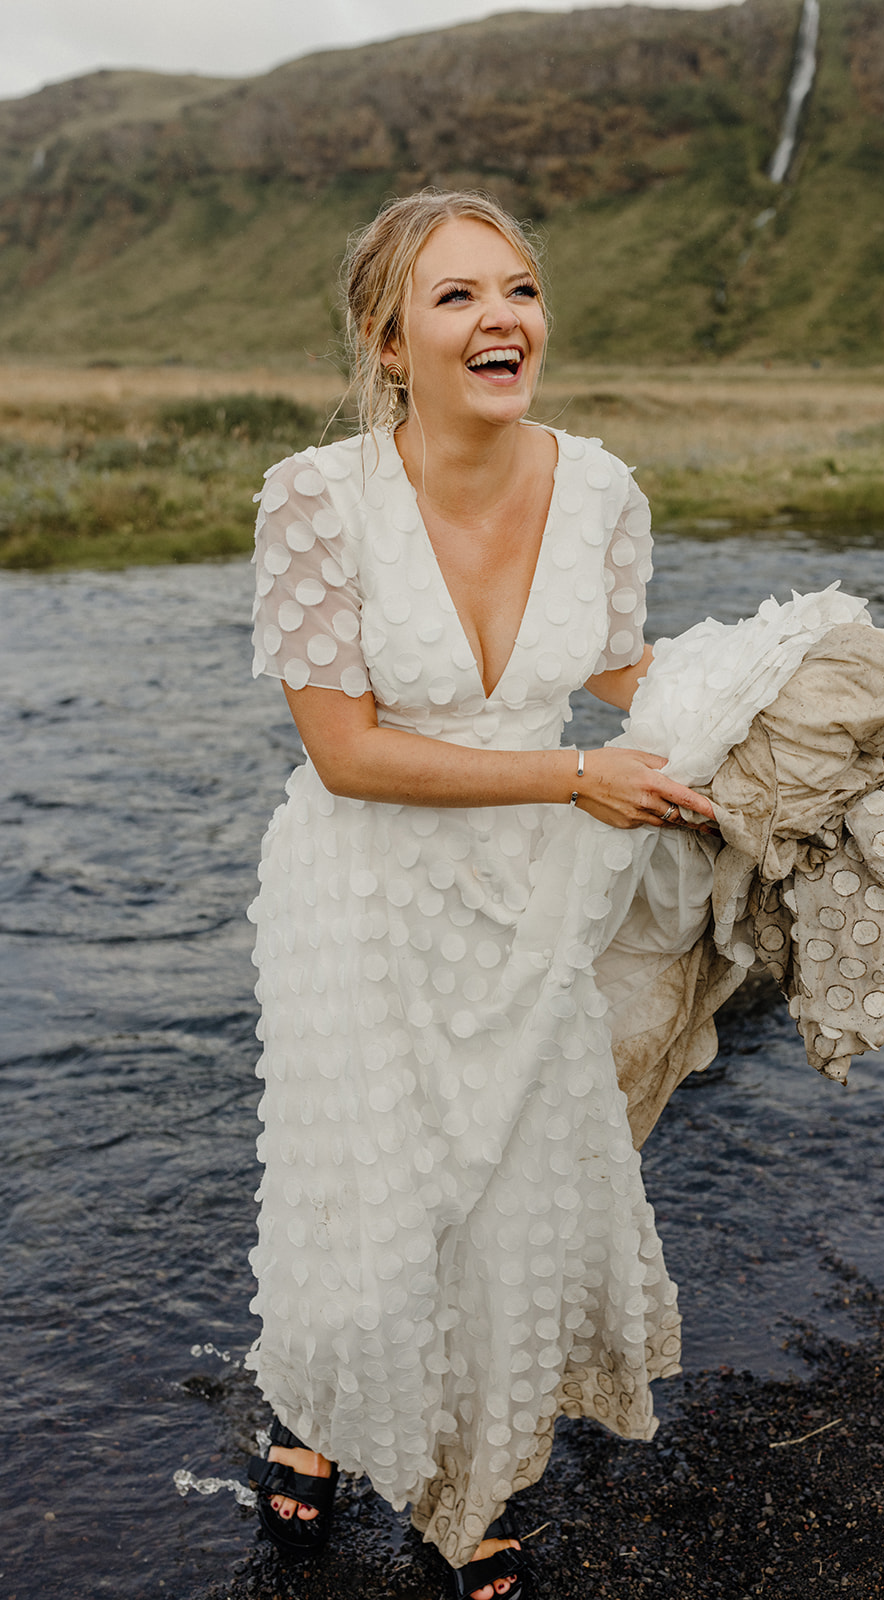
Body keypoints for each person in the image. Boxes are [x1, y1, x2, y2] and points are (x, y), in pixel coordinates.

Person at [245, 188, 717, 1598]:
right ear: (388, 342)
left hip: (537, 892)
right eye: (457, 297)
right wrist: (577, 778)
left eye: (517, 289)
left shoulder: (607, 488)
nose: (502, 317)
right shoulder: (315, 500)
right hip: (366, 888)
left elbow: (631, 679)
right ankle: (323, 1411)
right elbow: (344, 752)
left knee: (506, 1188)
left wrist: (780, 708)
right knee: (370, 1184)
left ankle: (477, 1476)